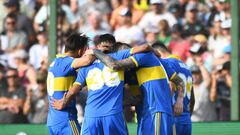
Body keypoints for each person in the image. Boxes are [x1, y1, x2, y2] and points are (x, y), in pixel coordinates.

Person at [52, 40, 156, 135]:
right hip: (113, 115)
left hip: (91, 117)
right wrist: (157, 53)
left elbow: (74, 90)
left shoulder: (86, 66)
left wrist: (64, 102)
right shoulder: (119, 56)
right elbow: (143, 47)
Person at [88, 45, 185, 135]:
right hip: (146, 116)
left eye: (125, 54)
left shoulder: (144, 56)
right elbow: (138, 99)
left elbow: (114, 65)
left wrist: (95, 51)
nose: (126, 57)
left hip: (157, 111)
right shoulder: (133, 73)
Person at [47, 33, 95, 135]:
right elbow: (88, 60)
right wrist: (92, 51)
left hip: (53, 121)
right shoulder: (67, 62)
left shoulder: (56, 62)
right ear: (80, 50)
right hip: (66, 119)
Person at [152, 41, 195, 135]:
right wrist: (187, 115)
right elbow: (192, 98)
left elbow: (171, 86)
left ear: (157, 53)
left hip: (173, 116)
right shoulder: (186, 66)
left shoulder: (168, 63)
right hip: (186, 119)